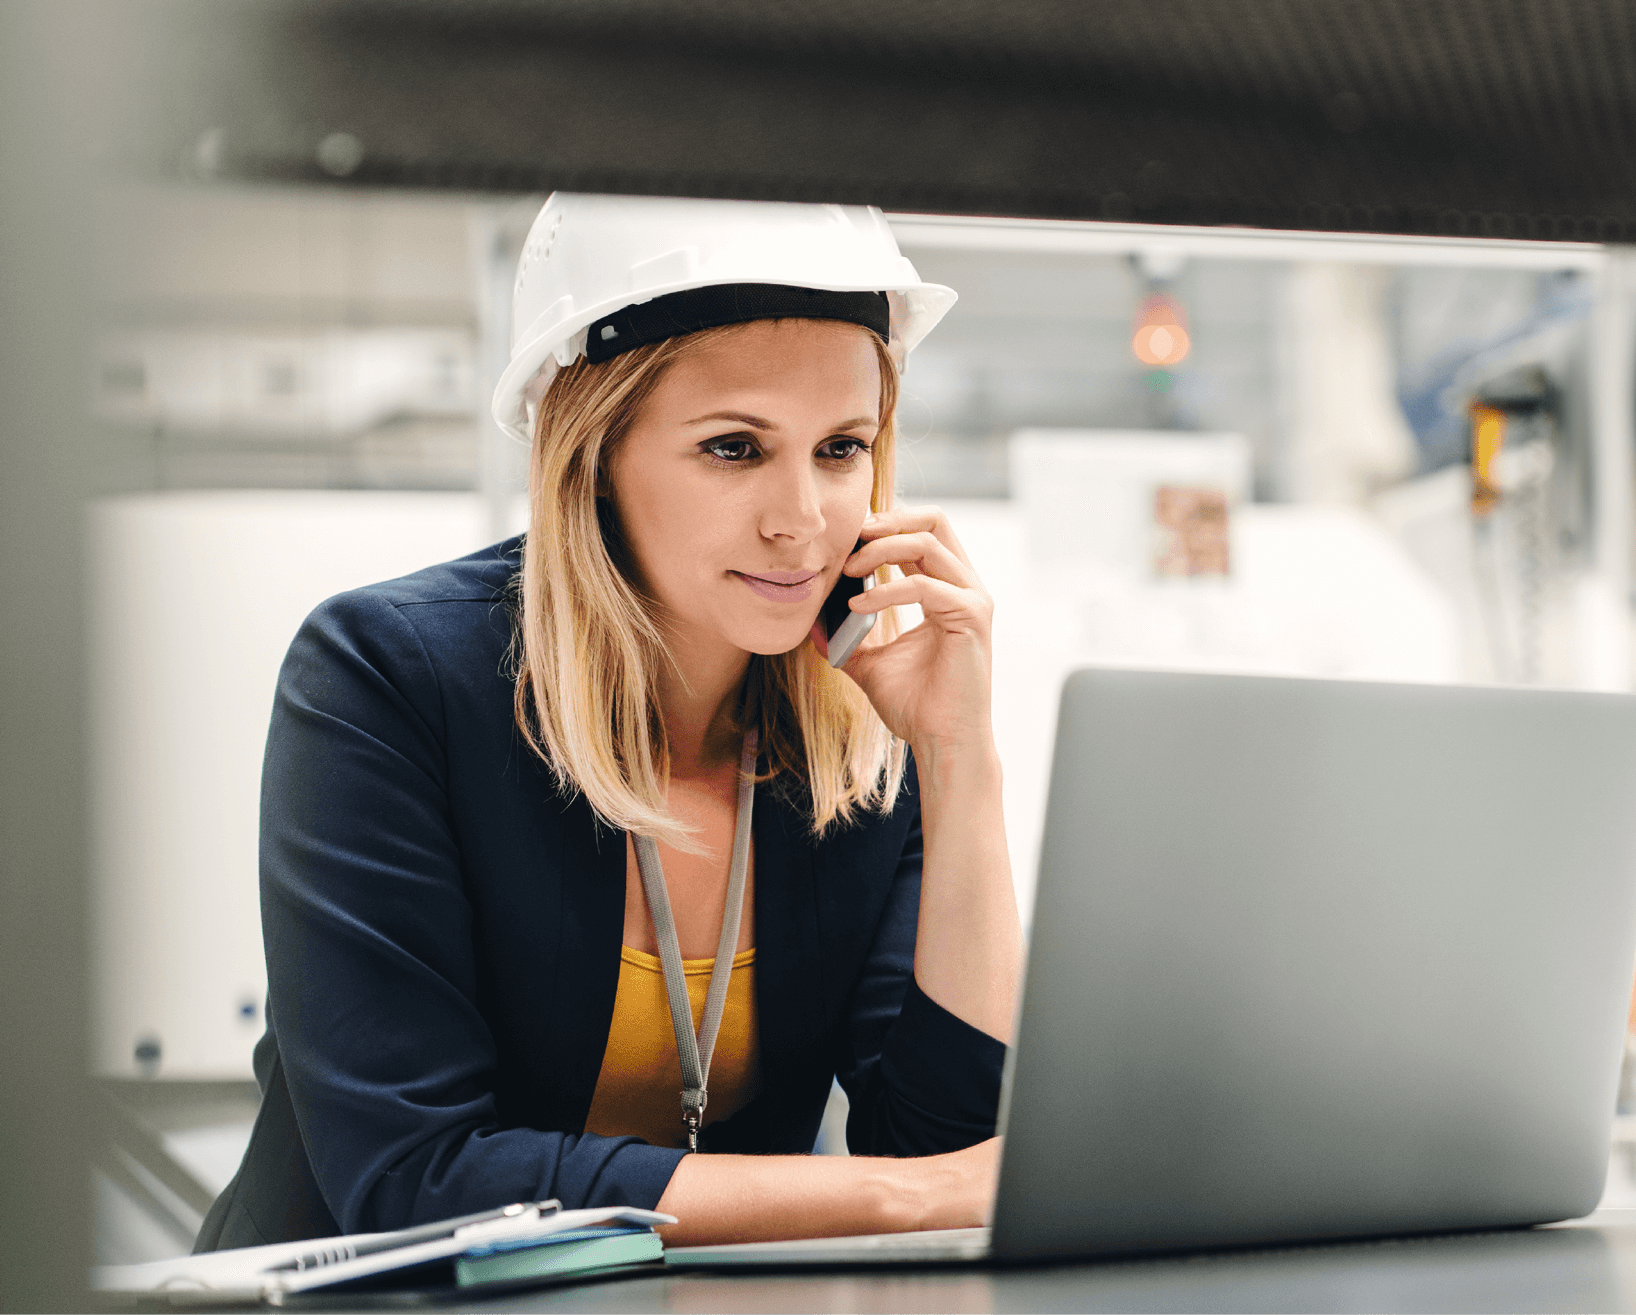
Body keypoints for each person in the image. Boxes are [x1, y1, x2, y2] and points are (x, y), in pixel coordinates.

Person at [197, 195, 1020, 1250]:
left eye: (840, 448)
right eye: (733, 447)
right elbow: (419, 1177)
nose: (802, 520)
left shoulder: (853, 730)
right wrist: (907, 1197)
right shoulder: (385, 678)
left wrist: (959, 757)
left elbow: (937, 1139)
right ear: (592, 453)